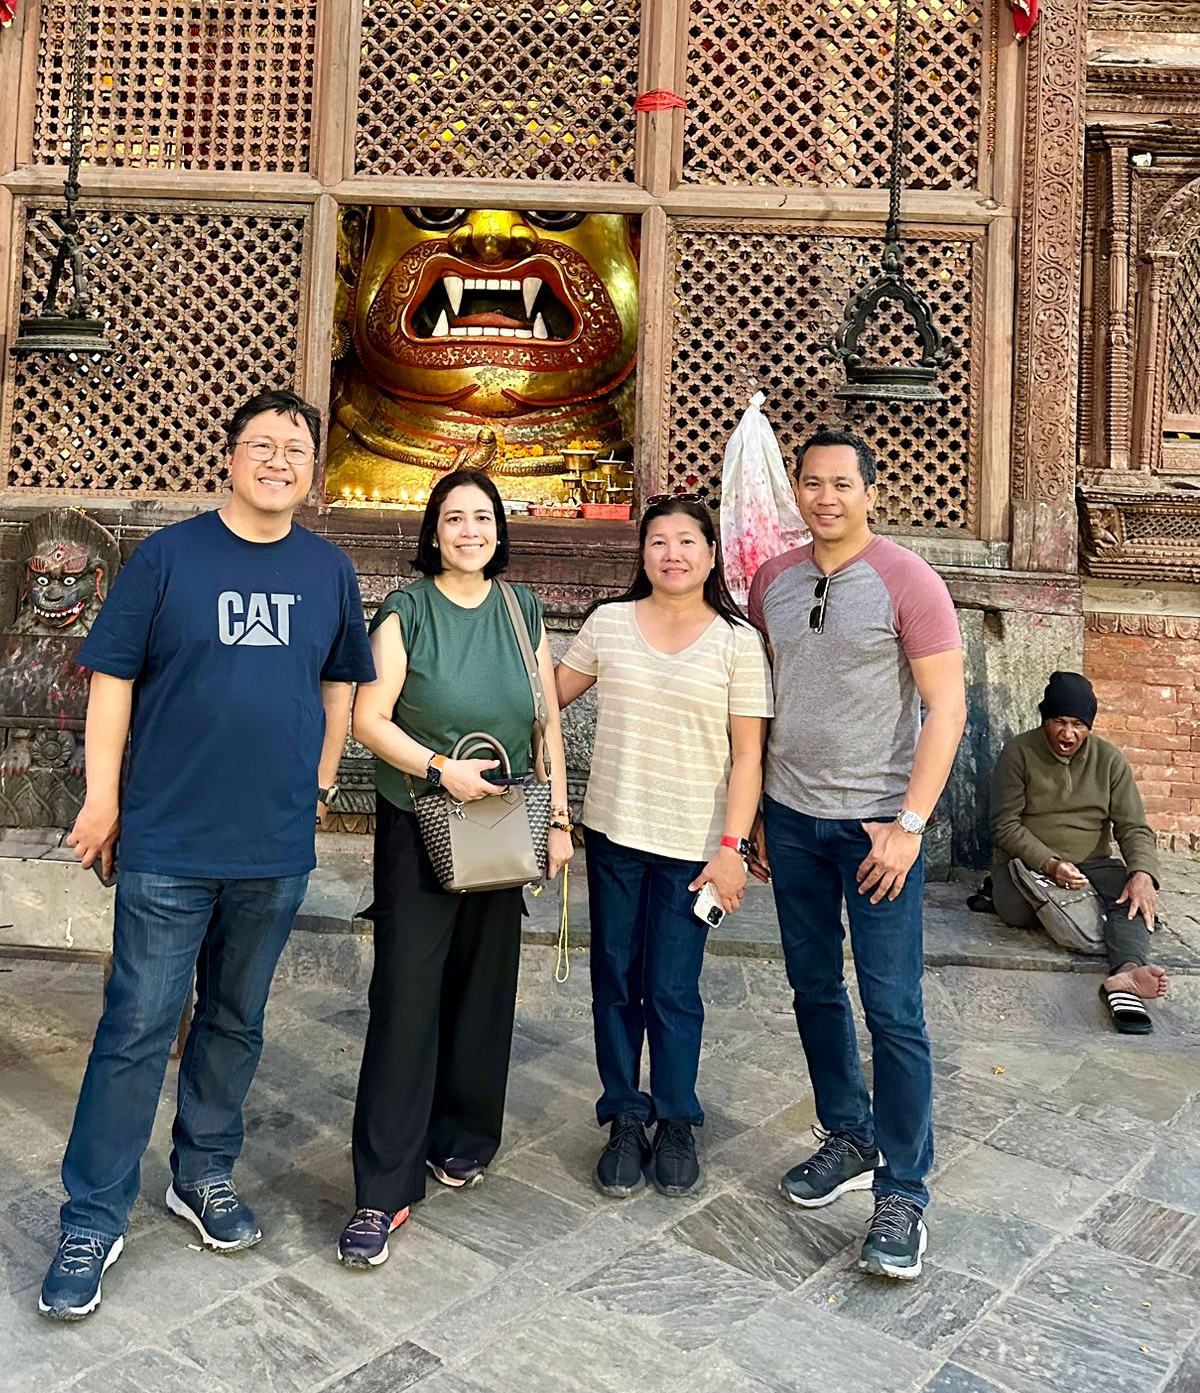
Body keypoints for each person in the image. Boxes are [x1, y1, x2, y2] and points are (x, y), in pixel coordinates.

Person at [38, 388, 374, 1320]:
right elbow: (113, 682)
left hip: (272, 843)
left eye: (295, 449)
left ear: (313, 471)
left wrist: (321, 775)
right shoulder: (168, 559)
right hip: (170, 838)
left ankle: (203, 1172)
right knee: (138, 1023)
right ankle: (92, 1216)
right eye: (261, 445)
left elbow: (343, 677)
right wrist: (103, 802)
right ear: (228, 458)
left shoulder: (327, 569)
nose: (279, 461)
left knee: (234, 1019)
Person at [335, 469, 573, 1269]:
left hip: (504, 820)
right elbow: (369, 720)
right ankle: (383, 1187)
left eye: (483, 518)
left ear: (499, 531)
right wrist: (440, 769)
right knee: (407, 992)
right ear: (432, 532)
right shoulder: (407, 612)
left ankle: (465, 1134)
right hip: (423, 822)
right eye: (454, 519)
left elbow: (546, 726)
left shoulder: (521, 610)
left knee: (484, 982)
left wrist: (561, 822)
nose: (470, 530)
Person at [748, 427, 966, 1284]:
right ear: (796, 493)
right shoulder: (772, 579)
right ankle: (850, 1133)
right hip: (794, 820)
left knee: (894, 1008)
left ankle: (905, 1190)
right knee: (810, 986)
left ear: (872, 492)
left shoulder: (910, 581)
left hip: (878, 828)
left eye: (842, 483)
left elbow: (944, 709)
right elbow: (764, 702)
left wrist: (910, 825)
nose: (825, 497)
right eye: (812, 483)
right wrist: (759, 813)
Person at [554, 495, 772, 1199]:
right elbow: (544, 697)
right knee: (615, 980)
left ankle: (676, 1117)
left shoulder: (738, 643)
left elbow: (748, 758)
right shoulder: (608, 626)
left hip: (694, 849)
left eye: (686, 541)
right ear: (641, 554)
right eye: (658, 542)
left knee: (673, 990)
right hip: (615, 834)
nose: (671, 554)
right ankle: (624, 1115)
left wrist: (732, 848)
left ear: (711, 554)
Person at [989, 670, 1167, 1032]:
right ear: (1044, 719)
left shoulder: (1110, 761)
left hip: (1094, 863)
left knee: (1131, 901)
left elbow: (1133, 827)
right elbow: (1004, 825)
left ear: (1089, 725)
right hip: (1029, 866)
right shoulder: (1018, 753)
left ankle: (1127, 973)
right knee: (1021, 911)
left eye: (1077, 724)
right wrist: (1051, 864)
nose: (1067, 734)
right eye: (1058, 721)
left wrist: (1143, 874)